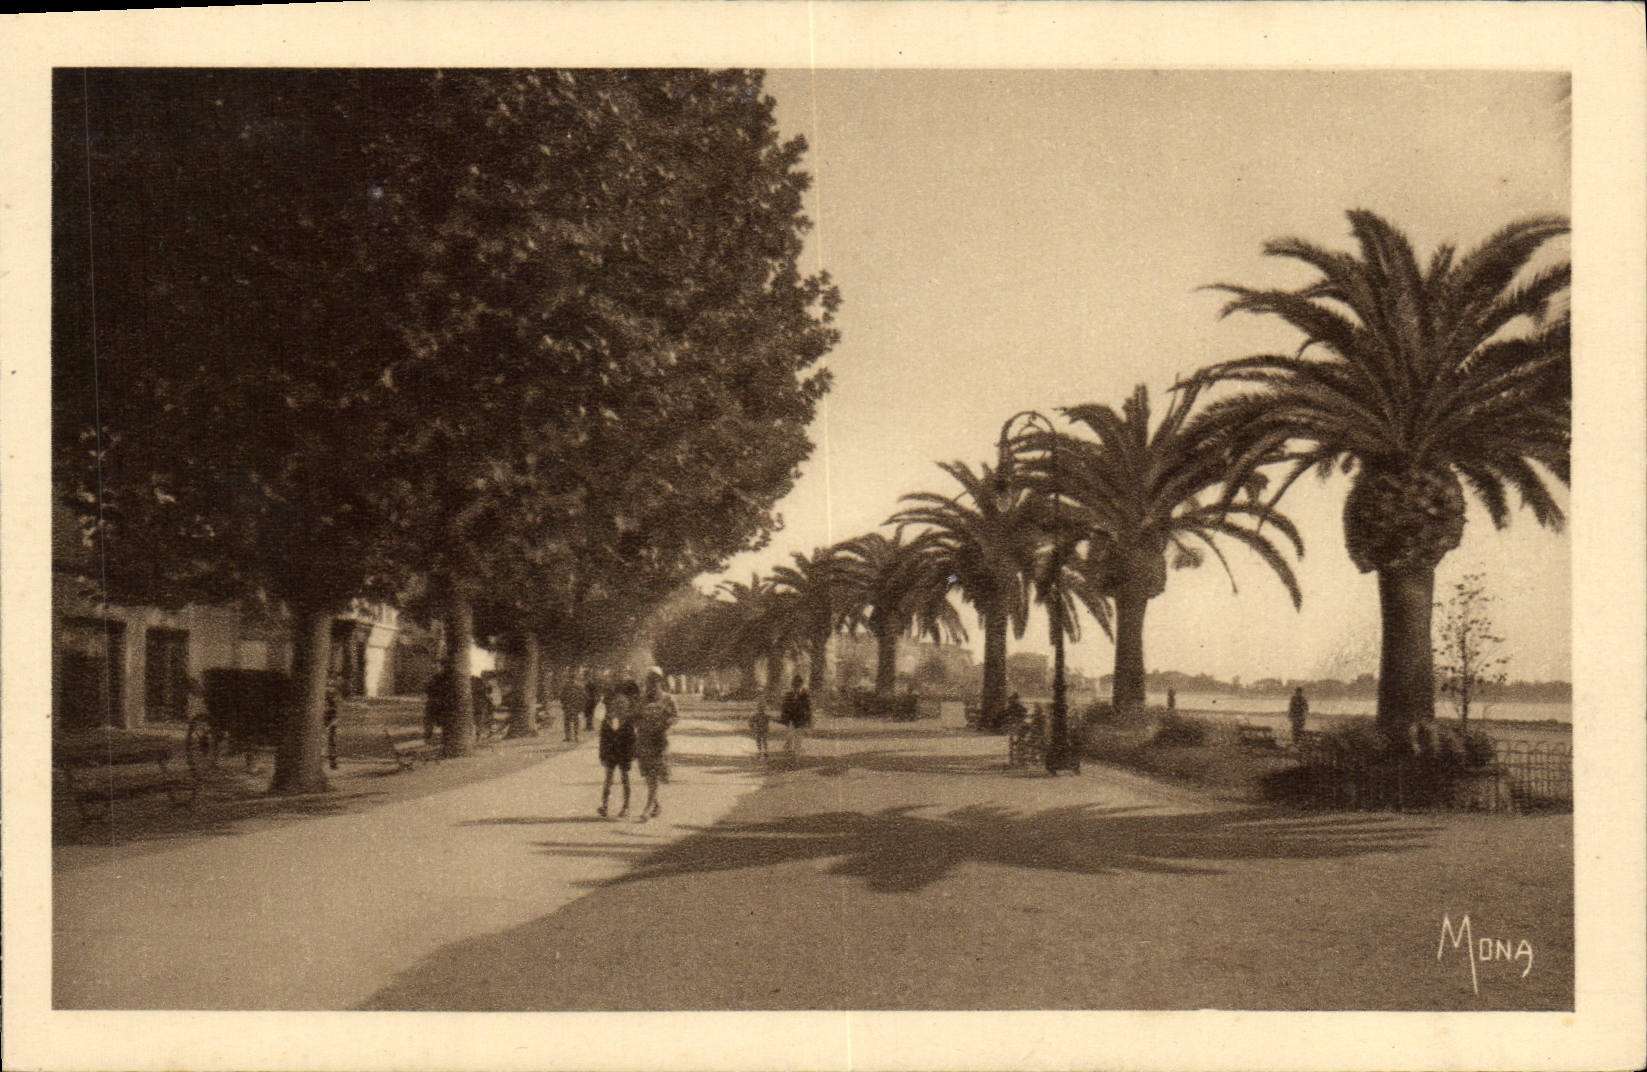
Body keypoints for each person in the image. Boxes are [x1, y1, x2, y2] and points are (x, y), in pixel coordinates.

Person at [633, 667, 678, 820]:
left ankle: (648, 808)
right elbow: (634, 717)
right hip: (644, 740)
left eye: (655, 680)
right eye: (649, 680)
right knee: (648, 775)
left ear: (660, 681)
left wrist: (667, 722)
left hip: (659, 741)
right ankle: (656, 805)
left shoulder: (668, 699)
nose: (652, 683)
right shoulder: (641, 699)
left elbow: (675, 716)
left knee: (654, 774)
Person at [597, 681, 638, 818]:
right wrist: (602, 755)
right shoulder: (607, 721)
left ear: (626, 706)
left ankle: (626, 806)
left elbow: (632, 739)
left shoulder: (628, 723)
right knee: (608, 779)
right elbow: (603, 739)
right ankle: (604, 805)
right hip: (611, 752)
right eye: (616, 704)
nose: (619, 706)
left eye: (622, 704)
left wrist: (632, 753)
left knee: (624, 778)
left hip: (624, 753)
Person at [780, 675, 812, 756]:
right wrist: (784, 717)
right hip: (791, 718)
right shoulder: (789, 694)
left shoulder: (805, 694)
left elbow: (808, 708)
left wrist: (809, 721)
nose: (796, 687)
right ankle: (788, 747)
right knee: (790, 735)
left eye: (798, 685)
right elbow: (784, 707)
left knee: (798, 736)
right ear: (792, 685)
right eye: (794, 685)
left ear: (801, 685)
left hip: (800, 718)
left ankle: (797, 752)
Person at [559, 672, 584, 743]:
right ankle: (576, 736)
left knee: (567, 721)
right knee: (575, 721)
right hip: (575, 706)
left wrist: (563, 704)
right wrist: (581, 706)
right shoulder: (579, 687)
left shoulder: (566, 687)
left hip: (568, 706)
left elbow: (562, 697)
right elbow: (583, 697)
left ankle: (568, 737)